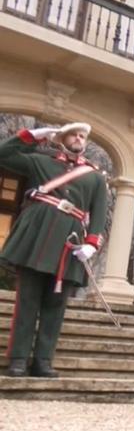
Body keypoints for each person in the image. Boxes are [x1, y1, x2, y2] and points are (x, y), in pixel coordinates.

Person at [0, 122, 108, 378]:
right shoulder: (41, 161)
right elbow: (4, 155)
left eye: (82, 136)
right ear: (62, 139)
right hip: (37, 237)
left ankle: (43, 361)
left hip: (70, 242)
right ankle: (18, 359)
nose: (79, 139)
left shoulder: (94, 176)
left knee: (55, 306)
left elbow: (99, 213)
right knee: (27, 301)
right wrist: (29, 137)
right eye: (74, 135)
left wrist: (91, 243)